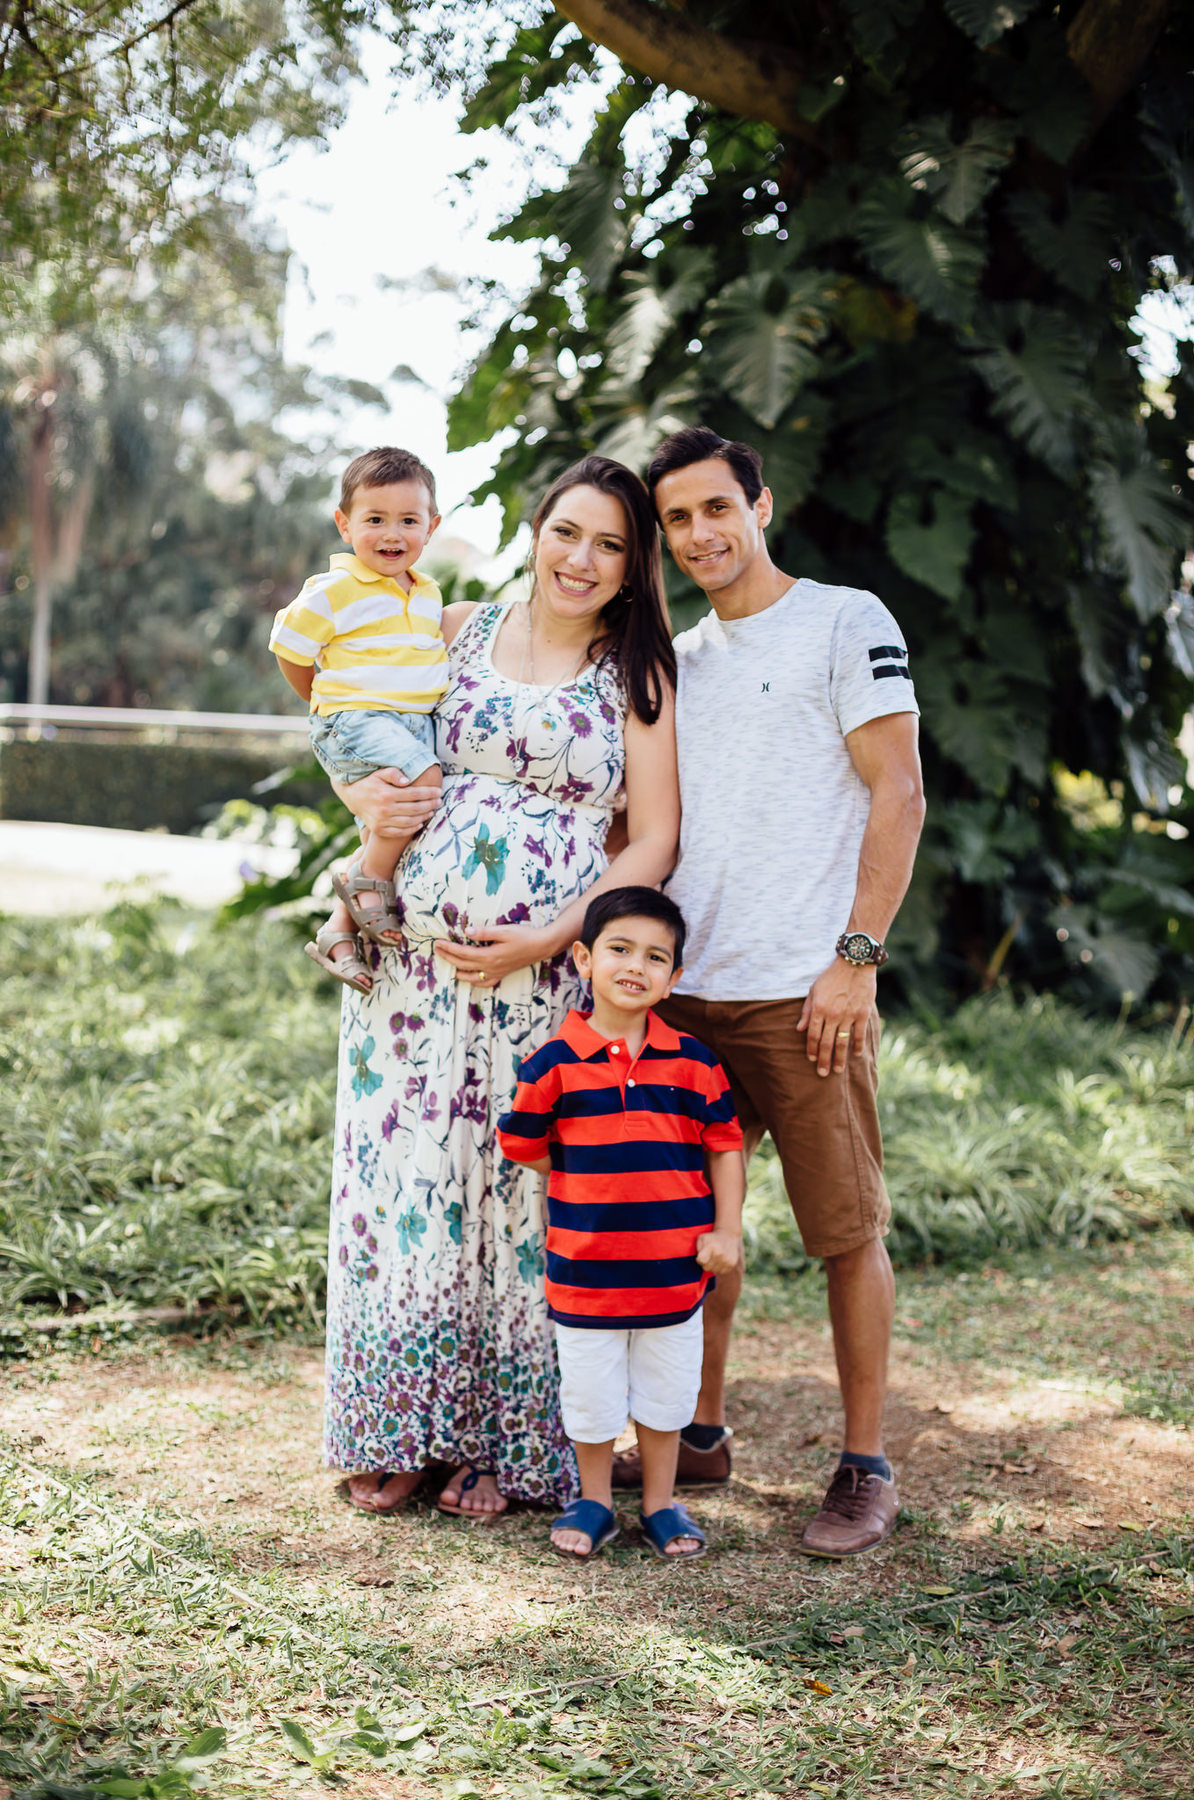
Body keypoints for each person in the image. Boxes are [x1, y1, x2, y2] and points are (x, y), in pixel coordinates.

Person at [321, 456, 680, 1520]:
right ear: (536, 529)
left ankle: (500, 1443)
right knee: (404, 1189)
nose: (583, 558)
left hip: (547, 978)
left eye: (610, 544)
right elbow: (355, 720)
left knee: (519, 1197)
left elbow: (654, 836)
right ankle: (400, 1426)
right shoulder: (452, 625)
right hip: (410, 973)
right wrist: (373, 838)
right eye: (568, 531)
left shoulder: (637, 675)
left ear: (631, 566)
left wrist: (551, 939)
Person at [612, 425, 925, 1560]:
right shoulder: (674, 662)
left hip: (806, 994)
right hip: (685, 992)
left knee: (846, 1233)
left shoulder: (847, 621)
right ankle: (698, 1435)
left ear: (762, 504)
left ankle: (863, 1466)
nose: (698, 534)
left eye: (714, 509)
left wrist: (856, 959)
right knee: (686, 1229)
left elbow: (900, 795)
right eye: (677, 520)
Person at [498, 887, 746, 1561]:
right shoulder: (553, 1062)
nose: (636, 965)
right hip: (586, 1272)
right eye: (620, 949)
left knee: (668, 1394)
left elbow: (725, 1146)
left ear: (674, 979)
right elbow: (522, 1144)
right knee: (592, 1395)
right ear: (583, 958)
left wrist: (727, 1230)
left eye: (655, 956)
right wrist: (590, 1178)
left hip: (674, 1271)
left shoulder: (694, 1062)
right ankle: (596, 1500)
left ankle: (662, 1503)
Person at [270, 445, 448, 993]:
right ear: (345, 525)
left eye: (407, 521)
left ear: (431, 527)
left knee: (386, 822)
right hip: (356, 716)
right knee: (425, 783)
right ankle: (367, 884)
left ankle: (338, 929)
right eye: (375, 520)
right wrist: (327, 703)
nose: (392, 534)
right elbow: (289, 649)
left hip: (406, 723)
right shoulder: (335, 589)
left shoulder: (427, 594)